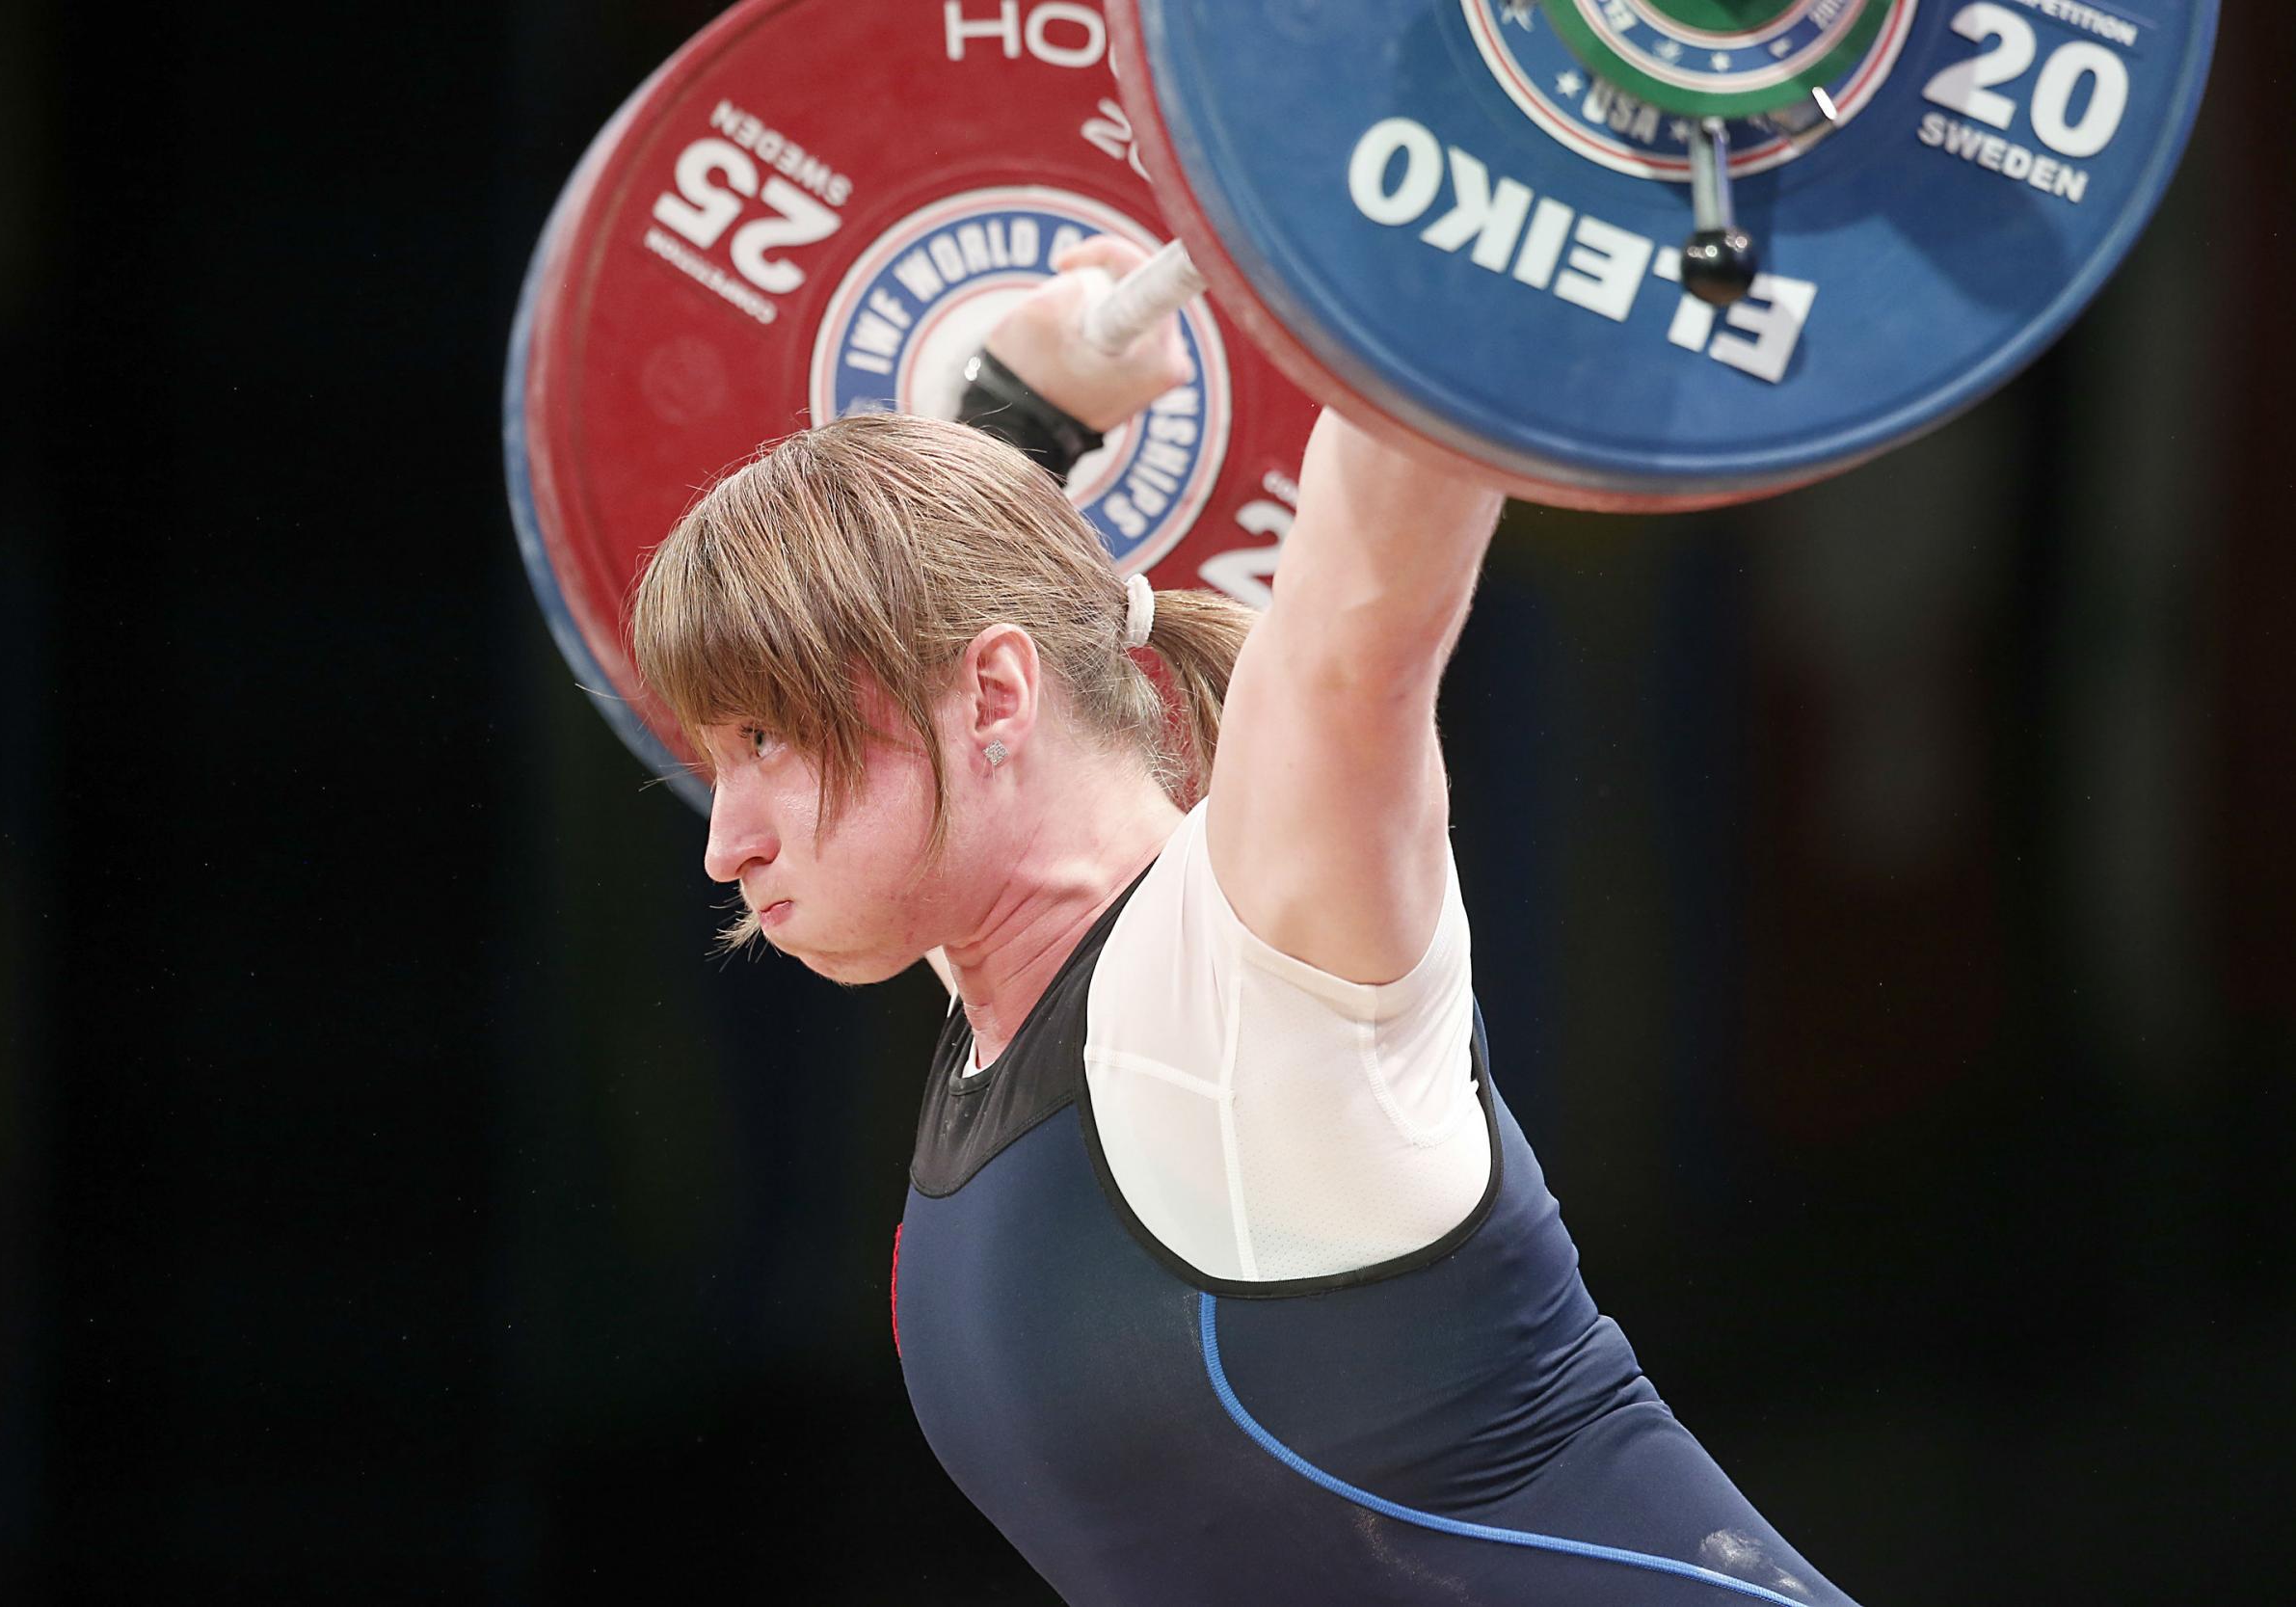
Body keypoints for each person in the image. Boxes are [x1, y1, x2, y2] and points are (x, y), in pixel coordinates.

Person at [628, 238, 1859, 1606]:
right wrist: (1018, 421)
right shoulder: (1005, 976)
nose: (725, 838)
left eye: (763, 742)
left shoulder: (1252, 974)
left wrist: (1454, 210)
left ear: (991, 702)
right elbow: (945, 616)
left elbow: (1356, 631)